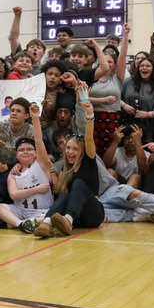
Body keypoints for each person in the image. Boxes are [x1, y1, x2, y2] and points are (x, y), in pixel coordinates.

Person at [34, 88, 105, 238]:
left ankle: (67, 220)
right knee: (65, 193)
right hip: (77, 218)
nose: (70, 152)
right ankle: (46, 223)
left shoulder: (88, 160)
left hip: (93, 214)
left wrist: (90, 114)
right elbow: (39, 142)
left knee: (78, 184)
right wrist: (35, 118)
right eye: (68, 148)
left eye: (75, 149)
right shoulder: (64, 170)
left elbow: (89, 139)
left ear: (82, 151)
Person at [0, 104, 56, 233]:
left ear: (35, 153)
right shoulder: (13, 173)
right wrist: (37, 189)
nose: (25, 152)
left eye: (29, 149)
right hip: (21, 211)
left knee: (55, 214)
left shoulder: (41, 165)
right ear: (16, 154)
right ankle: (21, 224)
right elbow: (14, 195)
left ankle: (16, 224)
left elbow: (38, 141)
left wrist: (35, 118)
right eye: (21, 150)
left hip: (42, 211)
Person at [122, 55, 154, 144]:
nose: (144, 68)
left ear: (153, 69)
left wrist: (148, 114)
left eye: (148, 66)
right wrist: (124, 105)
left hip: (148, 128)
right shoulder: (128, 82)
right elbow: (116, 97)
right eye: (142, 66)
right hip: (127, 125)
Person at [0, 97, 33, 169]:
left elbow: (34, 156)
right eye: (12, 110)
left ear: (26, 115)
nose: (14, 113)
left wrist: (6, 167)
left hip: (22, 167)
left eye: (18, 111)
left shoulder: (31, 130)